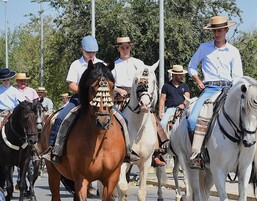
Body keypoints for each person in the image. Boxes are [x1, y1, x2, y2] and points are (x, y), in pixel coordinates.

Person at [43, 35, 137, 163]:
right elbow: (71, 83)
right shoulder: (76, 64)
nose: (91, 55)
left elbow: (109, 84)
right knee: (61, 118)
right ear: (82, 50)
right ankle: (54, 149)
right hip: (79, 99)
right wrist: (84, 93)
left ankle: (128, 151)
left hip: (102, 100)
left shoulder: (102, 65)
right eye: (88, 52)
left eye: (93, 52)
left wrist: (116, 90)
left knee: (123, 119)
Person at [187, 15, 243, 169]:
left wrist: (234, 92)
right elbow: (191, 66)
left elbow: (238, 76)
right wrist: (198, 80)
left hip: (228, 89)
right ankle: (197, 154)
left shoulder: (233, 51)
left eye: (220, 30)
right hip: (209, 89)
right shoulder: (204, 48)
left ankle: (246, 156)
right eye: (214, 30)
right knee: (192, 119)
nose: (217, 33)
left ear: (226, 30)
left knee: (245, 116)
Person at [112, 36, 168, 167]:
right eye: (122, 48)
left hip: (138, 97)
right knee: (111, 120)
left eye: (127, 47)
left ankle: (155, 152)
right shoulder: (114, 65)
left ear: (130, 48)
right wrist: (118, 90)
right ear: (118, 49)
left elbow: (146, 79)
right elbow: (111, 83)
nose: (125, 50)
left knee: (153, 120)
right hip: (120, 99)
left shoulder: (139, 63)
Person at [159, 65, 190, 129]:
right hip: (170, 109)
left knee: (190, 123)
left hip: (183, 109)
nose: (182, 77)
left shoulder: (185, 86)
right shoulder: (166, 86)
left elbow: (187, 98)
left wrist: (183, 104)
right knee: (162, 124)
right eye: (180, 75)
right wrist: (160, 113)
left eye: (182, 75)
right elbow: (162, 99)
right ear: (174, 75)